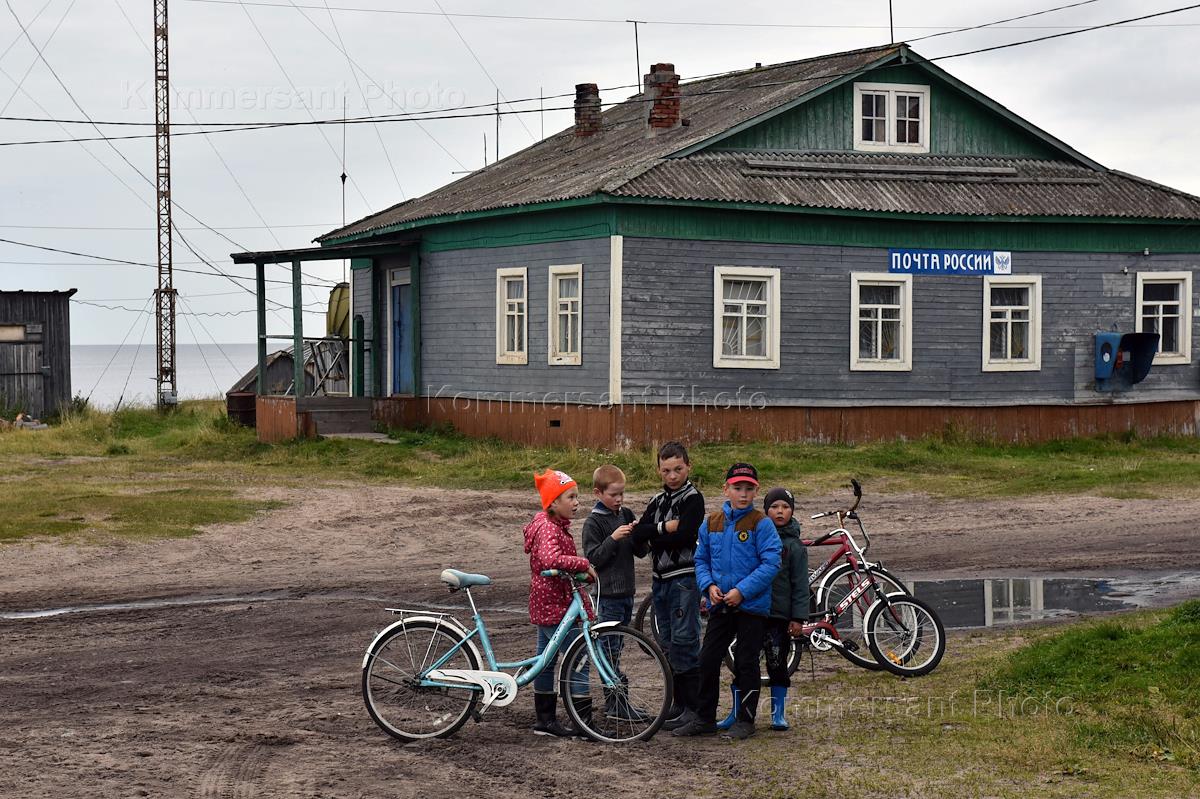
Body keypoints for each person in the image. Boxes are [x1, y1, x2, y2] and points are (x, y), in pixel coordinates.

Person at [673, 462, 781, 740]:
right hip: (720, 605)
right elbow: (700, 560)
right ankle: (704, 718)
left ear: (756, 491)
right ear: (726, 489)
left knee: (746, 663)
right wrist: (707, 586)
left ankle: (745, 720)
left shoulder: (762, 524)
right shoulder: (711, 523)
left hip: (752, 606)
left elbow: (770, 564)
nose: (743, 494)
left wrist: (742, 591)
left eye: (748, 488)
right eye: (737, 488)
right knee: (707, 659)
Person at [717, 487, 808, 732]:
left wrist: (798, 617)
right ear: (766, 509)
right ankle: (737, 712)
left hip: (779, 615)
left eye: (786, 507)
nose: (780, 512)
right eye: (775, 507)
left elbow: (800, 585)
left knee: (777, 663)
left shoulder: (795, 547)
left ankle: (778, 714)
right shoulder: (755, 534)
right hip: (753, 611)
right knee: (744, 663)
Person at [631, 441, 706, 730]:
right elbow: (638, 536)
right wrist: (665, 528)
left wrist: (653, 532)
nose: (672, 476)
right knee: (667, 644)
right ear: (659, 470)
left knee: (686, 641)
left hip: (685, 579)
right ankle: (677, 705)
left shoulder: (693, 498)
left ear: (688, 466)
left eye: (678, 469)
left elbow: (687, 536)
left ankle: (694, 708)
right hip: (660, 581)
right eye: (666, 470)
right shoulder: (656, 501)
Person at [523, 468, 598, 737]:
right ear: (553, 502)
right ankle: (583, 722)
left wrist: (577, 573)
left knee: (547, 660)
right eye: (571, 497)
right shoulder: (548, 529)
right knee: (578, 657)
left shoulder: (552, 526)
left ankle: (545, 720)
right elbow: (550, 559)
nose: (577, 502)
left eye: (577, 496)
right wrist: (583, 563)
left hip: (551, 603)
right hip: (553, 604)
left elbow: (553, 563)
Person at [581, 464, 651, 721]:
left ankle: (619, 705)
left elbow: (640, 551)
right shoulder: (593, 522)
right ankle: (615, 706)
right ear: (598, 493)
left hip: (626, 594)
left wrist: (641, 532)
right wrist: (613, 538)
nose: (619, 499)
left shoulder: (626, 513)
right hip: (607, 596)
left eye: (622, 493)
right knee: (609, 650)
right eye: (613, 494)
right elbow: (594, 558)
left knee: (617, 648)